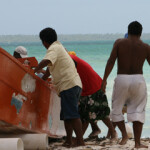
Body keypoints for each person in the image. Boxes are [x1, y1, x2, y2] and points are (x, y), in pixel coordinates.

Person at [101, 21, 150, 149]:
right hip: (139, 80)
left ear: (128, 31)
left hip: (122, 79)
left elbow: (111, 61)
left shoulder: (119, 43)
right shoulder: (146, 47)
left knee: (117, 110)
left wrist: (104, 80)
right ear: (140, 33)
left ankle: (124, 134)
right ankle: (138, 143)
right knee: (138, 111)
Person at [34, 27, 84, 147]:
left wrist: (34, 70)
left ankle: (80, 141)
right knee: (66, 116)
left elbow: (46, 61)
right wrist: (40, 80)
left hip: (69, 85)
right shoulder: (58, 47)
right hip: (71, 85)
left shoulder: (53, 48)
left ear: (44, 41)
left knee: (72, 115)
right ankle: (69, 140)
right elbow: (48, 72)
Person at [69, 52, 116, 141]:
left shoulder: (70, 59)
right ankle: (94, 130)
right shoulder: (69, 59)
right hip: (85, 88)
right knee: (86, 113)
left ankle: (113, 132)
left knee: (101, 113)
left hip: (94, 87)